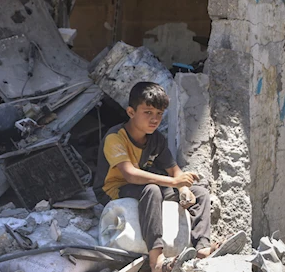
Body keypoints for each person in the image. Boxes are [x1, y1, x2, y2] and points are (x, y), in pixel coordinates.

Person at [93, 82, 245, 272]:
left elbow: (175, 171)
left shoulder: (157, 139)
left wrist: (183, 189)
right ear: (131, 112)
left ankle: (202, 249)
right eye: (147, 112)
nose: (154, 119)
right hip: (113, 189)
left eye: (159, 114)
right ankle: (157, 260)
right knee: (152, 190)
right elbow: (130, 174)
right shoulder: (115, 137)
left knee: (200, 193)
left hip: (142, 187)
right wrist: (173, 182)